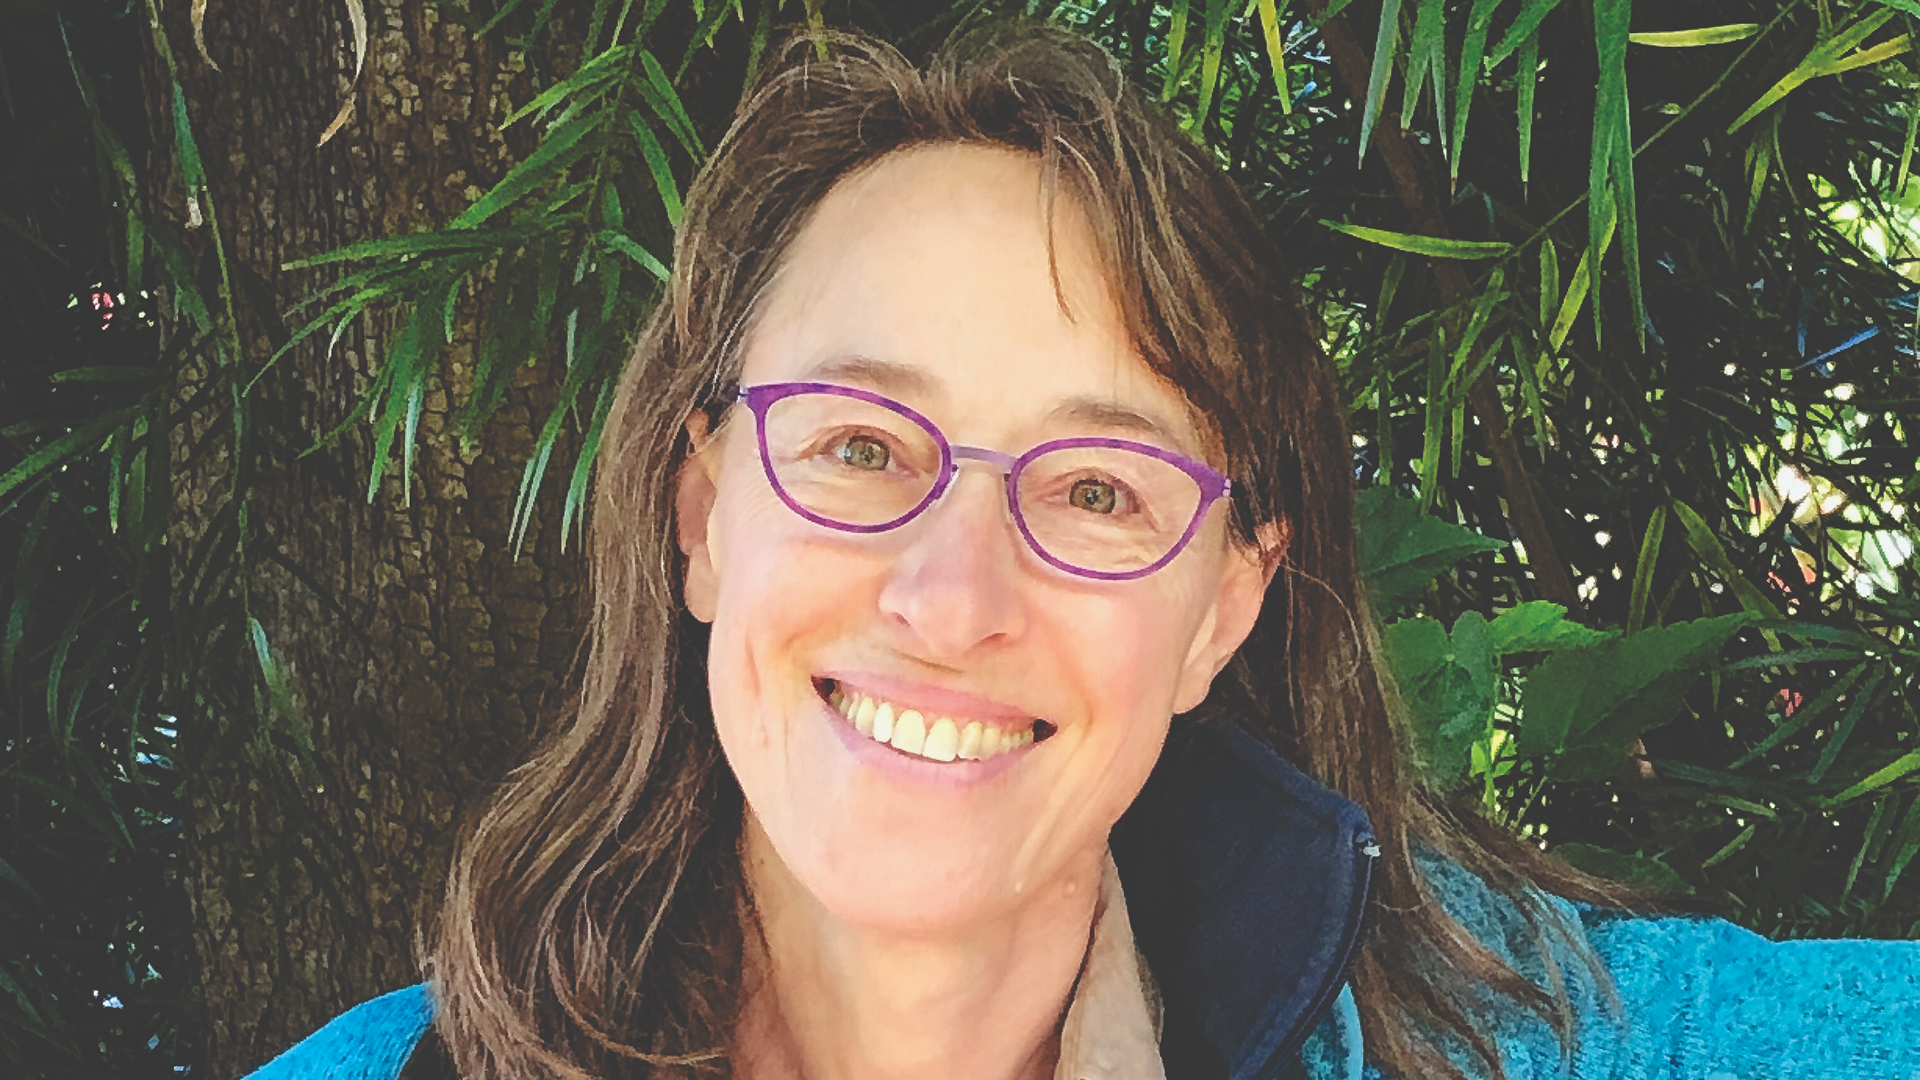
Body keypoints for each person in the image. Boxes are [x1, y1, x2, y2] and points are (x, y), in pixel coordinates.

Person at [240, 19, 1920, 1080]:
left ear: (1223, 611)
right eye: (856, 447)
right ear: (699, 516)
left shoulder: (1503, 1042)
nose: (951, 599)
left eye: (1100, 489)